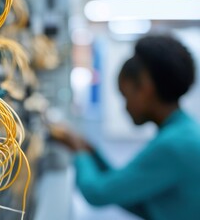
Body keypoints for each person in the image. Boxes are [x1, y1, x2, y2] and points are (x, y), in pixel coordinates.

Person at [51, 35, 200, 220]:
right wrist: (91, 152)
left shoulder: (174, 146)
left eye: (125, 96)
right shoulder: (185, 133)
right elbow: (130, 193)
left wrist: (78, 150)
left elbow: (97, 193)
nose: (126, 107)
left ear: (145, 88)